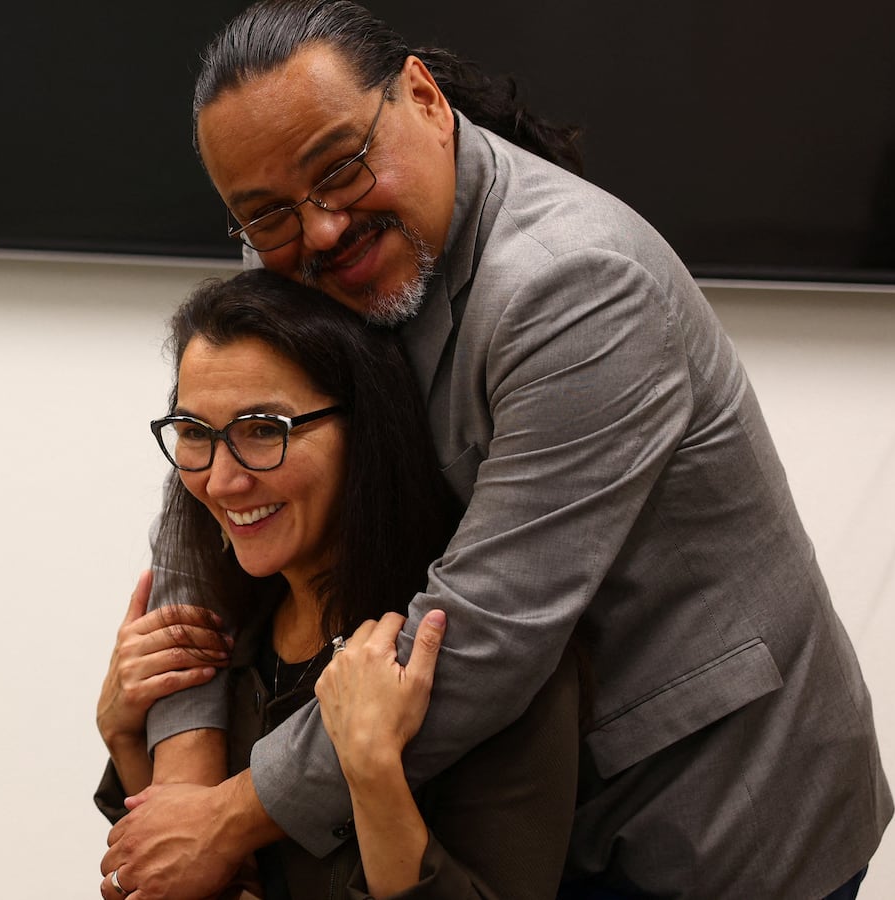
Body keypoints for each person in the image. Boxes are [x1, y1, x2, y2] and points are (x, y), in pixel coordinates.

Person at [101, 3, 893, 898]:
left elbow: (481, 632)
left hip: (702, 806)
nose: (321, 230)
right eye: (269, 215)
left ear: (425, 99)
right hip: (494, 796)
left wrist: (229, 819)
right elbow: (201, 497)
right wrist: (184, 777)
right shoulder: (295, 252)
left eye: (343, 167)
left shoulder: (578, 283)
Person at [96, 269, 580, 899]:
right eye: (195, 433)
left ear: (366, 432)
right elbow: (172, 869)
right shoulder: (226, 641)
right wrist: (127, 738)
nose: (221, 480)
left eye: (264, 430)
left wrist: (374, 774)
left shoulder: (467, 657)